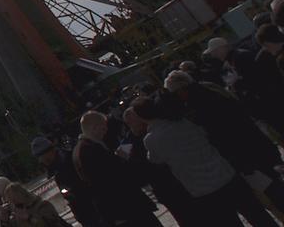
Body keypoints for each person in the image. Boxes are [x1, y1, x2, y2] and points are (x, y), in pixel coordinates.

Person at [134, 94, 278, 227]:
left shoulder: (151, 139)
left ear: (141, 117)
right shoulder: (182, 122)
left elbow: (155, 159)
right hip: (225, 174)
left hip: (203, 189)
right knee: (258, 216)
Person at [164, 69, 284, 210]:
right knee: (275, 181)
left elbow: (220, 135)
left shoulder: (197, 105)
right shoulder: (210, 87)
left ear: (180, 90)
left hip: (244, 154)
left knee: (272, 190)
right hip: (256, 141)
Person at [73, 110, 162, 226]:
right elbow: (112, 177)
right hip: (125, 206)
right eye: (103, 128)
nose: (105, 131)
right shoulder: (90, 149)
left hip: (119, 209)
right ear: (94, 128)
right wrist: (121, 159)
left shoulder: (82, 149)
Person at [119, 106, 201, 227]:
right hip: (161, 184)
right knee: (183, 216)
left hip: (177, 177)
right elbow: (127, 165)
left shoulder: (151, 131)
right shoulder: (128, 142)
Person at [31, 136, 104, 227]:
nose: (42, 161)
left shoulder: (69, 161)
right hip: (85, 213)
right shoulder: (57, 168)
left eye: (43, 157)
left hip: (94, 208)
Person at [3, 183, 70, 227]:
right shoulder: (16, 215)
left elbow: (50, 223)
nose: (14, 204)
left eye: (14, 200)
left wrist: (29, 218)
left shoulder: (42, 205)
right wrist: (4, 221)